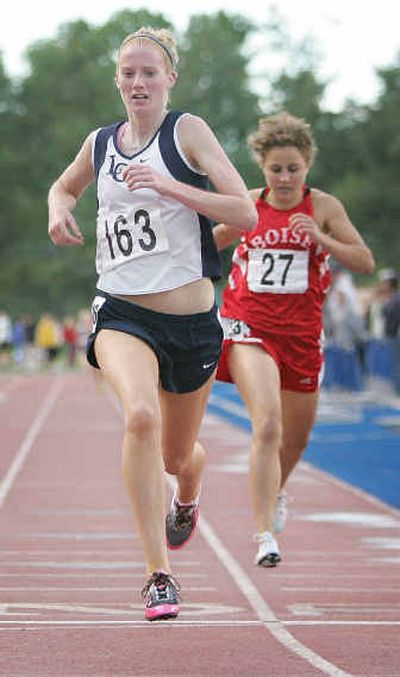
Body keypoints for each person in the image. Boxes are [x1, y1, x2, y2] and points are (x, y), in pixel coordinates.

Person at [47, 27, 257, 621]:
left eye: (149, 72)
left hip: (190, 324)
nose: (138, 82)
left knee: (177, 456)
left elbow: (244, 211)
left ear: (170, 80)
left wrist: (170, 186)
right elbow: (64, 187)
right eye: (128, 72)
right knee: (138, 414)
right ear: (117, 80)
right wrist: (60, 209)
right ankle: (158, 574)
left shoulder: (186, 133)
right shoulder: (99, 145)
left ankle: (188, 492)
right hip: (121, 313)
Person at [214, 112, 375, 567]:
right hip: (249, 327)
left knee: (296, 439)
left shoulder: (323, 207)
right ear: (262, 168)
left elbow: (364, 260)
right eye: (275, 170)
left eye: (293, 169)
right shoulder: (247, 204)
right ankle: (264, 533)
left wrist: (322, 239)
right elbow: (209, 243)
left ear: (307, 166)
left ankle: (276, 490)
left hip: (302, 336)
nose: (284, 178)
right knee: (267, 424)